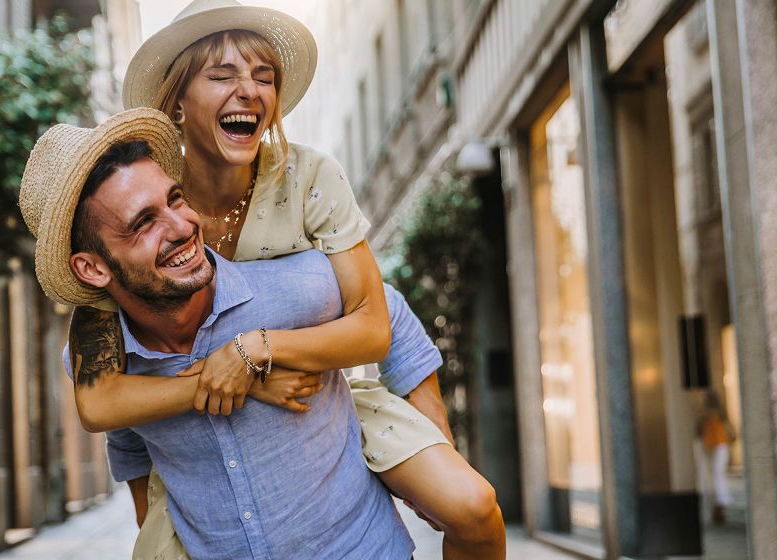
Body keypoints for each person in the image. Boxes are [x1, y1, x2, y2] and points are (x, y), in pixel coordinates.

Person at [68, 1, 505, 559]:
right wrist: (245, 378)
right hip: (203, 445)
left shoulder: (309, 178)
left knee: (470, 505)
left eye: (263, 76)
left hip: (324, 397)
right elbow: (105, 401)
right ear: (177, 102)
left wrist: (258, 350)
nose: (249, 89)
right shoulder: (145, 198)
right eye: (222, 74)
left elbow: (379, 317)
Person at [20, 108, 424, 558]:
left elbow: (389, 313)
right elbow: (127, 438)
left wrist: (435, 464)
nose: (182, 227)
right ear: (92, 268)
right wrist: (243, 381)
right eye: (143, 224)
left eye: (175, 199)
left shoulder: (292, 286)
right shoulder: (104, 362)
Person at [696, 390, 735, 525]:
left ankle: (718, 504)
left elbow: (698, 430)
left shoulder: (703, 413)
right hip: (718, 444)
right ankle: (719, 504)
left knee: (713, 475)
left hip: (711, 444)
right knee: (717, 474)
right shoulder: (720, 412)